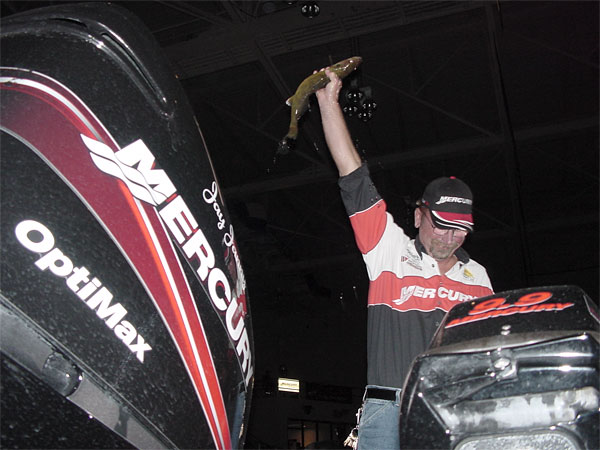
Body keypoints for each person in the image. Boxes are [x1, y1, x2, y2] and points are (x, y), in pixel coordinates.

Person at [314, 67, 494, 449]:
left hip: (450, 407)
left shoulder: (478, 276)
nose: (449, 238)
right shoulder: (389, 250)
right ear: (417, 216)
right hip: (387, 409)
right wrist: (328, 102)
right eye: (441, 225)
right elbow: (353, 176)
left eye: (460, 229)